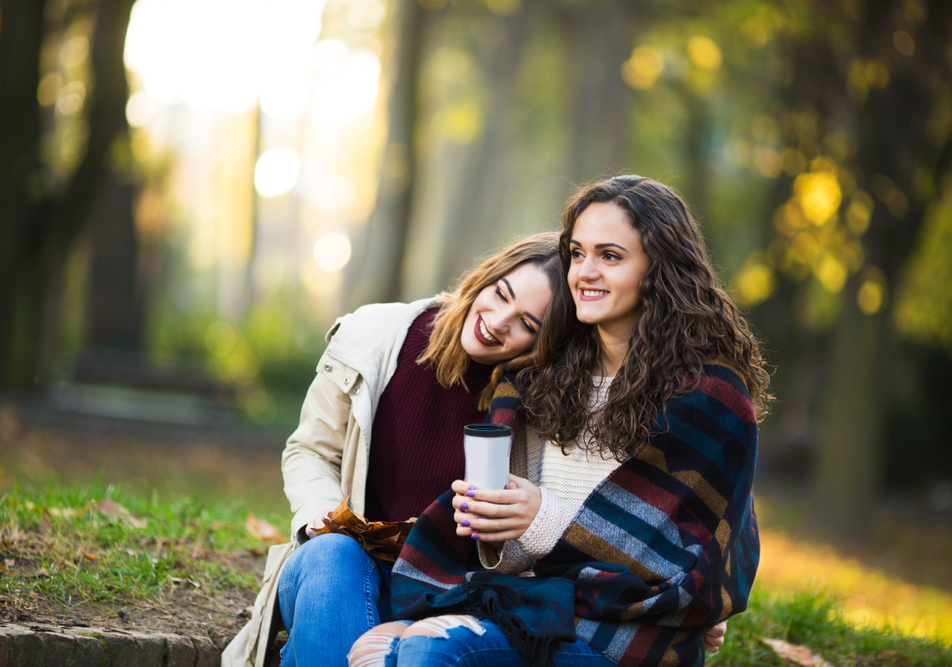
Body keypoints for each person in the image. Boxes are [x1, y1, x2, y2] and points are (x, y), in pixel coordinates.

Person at [350, 175, 770, 667]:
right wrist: (497, 526)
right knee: (388, 645)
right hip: (530, 609)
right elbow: (516, 557)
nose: (584, 273)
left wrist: (543, 518)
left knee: (429, 650)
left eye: (610, 256)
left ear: (659, 267)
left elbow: (691, 557)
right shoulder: (541, 382)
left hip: (627, 642)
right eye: (576, 253)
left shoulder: (707, 396)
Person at [222, 233, 574, 667]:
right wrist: (322, 513)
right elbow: (309, 450)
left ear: (545, 345)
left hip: (445, 594)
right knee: (332, 555)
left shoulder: (539, 404)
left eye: (527, 324)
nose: (498, 320)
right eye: (500, 294)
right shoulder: (373, 335)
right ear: (486, 278)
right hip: (343, 568)